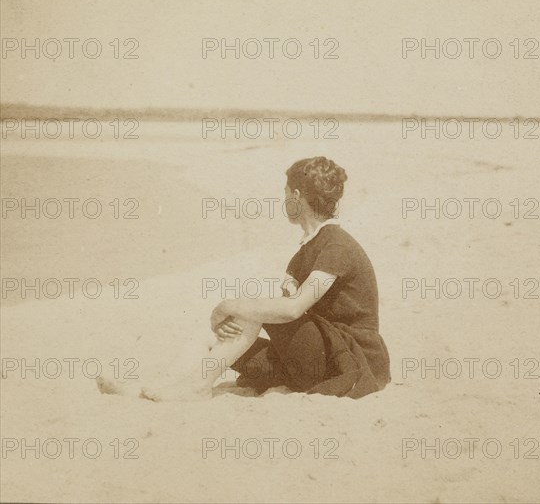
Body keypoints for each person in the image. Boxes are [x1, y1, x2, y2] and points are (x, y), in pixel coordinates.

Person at [98, 157, 390, 400]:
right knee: (212, 338)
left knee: (252, 309)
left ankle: (198, 388)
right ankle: (150, 390)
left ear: (297, 197)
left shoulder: (335, 246)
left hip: (349, 362)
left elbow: (292, 310)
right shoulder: (308, 248)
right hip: (315, 360)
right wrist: (233, 316)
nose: (284, 199)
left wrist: (229, 305)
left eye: (286, 192)